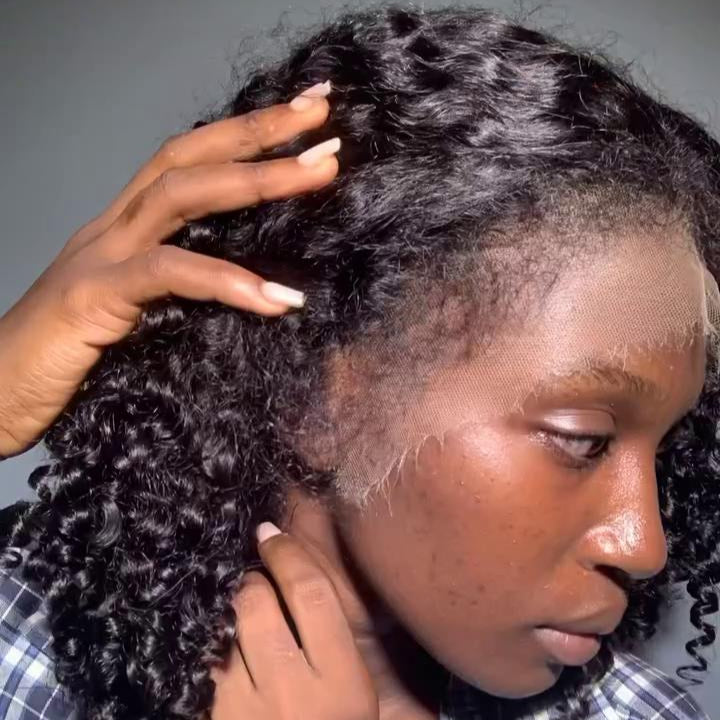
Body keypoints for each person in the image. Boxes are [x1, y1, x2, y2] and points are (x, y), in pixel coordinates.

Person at [0, 4, 718, 719]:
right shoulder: (26, 646)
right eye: (583, 439)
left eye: (664, 450)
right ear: (315, 394)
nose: (644, 545)